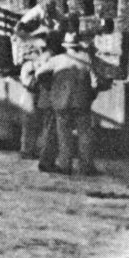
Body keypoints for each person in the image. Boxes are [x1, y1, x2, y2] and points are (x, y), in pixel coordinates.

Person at [34, 32, 99, 176]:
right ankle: (86, 166)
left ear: (65, 46)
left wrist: (50, 87)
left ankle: (65, 165)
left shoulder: (57, 60)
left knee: (64, 135)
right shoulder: (87, 59)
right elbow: (95, 82)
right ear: (77, 45)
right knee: (85, 134)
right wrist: (90, 95)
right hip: (82, 103)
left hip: (62, 103)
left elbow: (38, 73)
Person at [19, 34, 62, 160]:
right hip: (35, 93)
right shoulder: (51, 57)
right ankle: (33, 150)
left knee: (30, 124)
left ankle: (28, 150)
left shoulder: (39, 58)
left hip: (32, 93)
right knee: (42, 124)